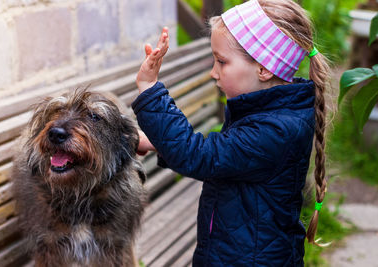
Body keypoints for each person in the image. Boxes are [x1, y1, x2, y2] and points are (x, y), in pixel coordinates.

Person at [132, 0, 330, 265]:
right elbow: (223, 155)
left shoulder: (274, 129)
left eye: (221, 61)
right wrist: (156, 142)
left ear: (264, 68)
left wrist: (150, 88)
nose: (214, 72)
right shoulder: (267, 113)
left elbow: (199, 156)